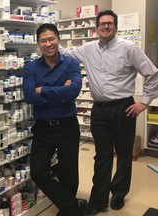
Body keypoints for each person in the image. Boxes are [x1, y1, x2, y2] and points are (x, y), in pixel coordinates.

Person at [59, 10, 158, 214]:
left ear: (115, 26)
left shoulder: (128, 48)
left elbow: (153, 74)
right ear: (96, 28)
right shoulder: (88, 49)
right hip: (99, 110)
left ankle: (119, 193)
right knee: (102, 155)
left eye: (110, 24)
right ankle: (99, 199)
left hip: (124, 109)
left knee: (123, 154)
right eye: (102, 24)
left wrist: (144, 102)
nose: (106, 27)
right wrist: (50, 40)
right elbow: (66, 54)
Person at [23, 23, 87, 216]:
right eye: (43, 40)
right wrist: (61, 93)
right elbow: (29, 96)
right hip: (43, 128)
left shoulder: (71, 64)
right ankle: (73, 207)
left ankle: (67, 210)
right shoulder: (31, 68)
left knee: (70, 175)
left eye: (51, 39)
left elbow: (73, 90)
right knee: (38, 173)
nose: (48, 43)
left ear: (58, 39)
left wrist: (43, 89)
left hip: (68, 126)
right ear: (38, 43)